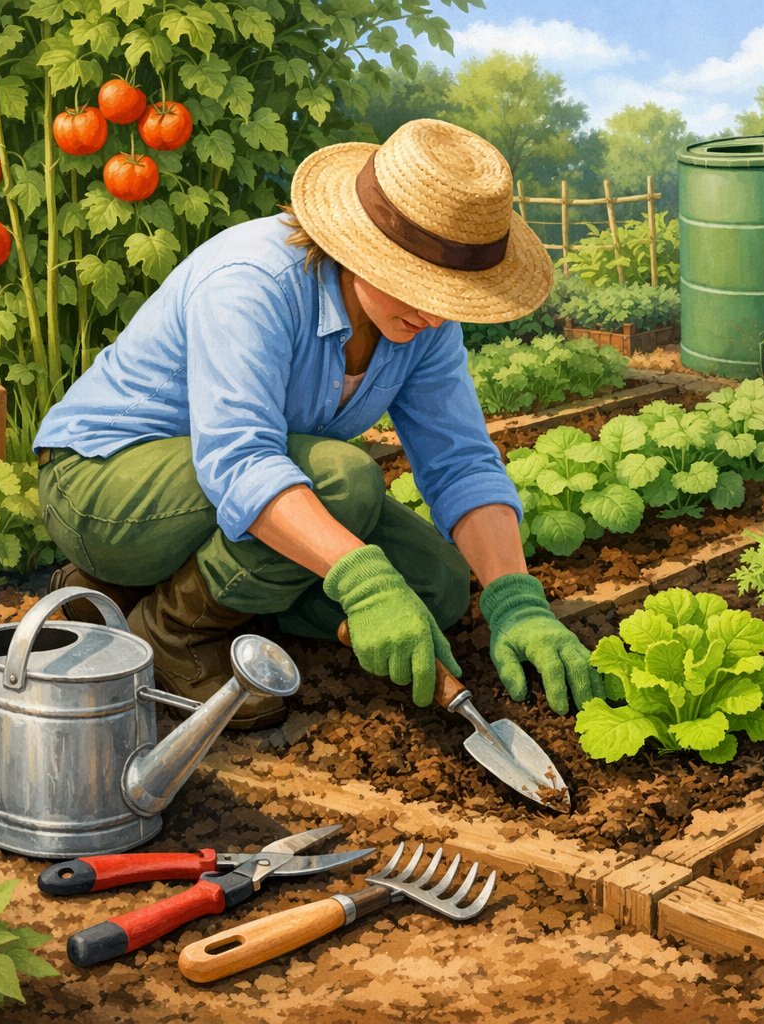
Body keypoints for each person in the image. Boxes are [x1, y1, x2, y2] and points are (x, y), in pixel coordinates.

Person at [32, 119, 595, 729]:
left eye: (452, 293)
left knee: (438, 585)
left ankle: (146, 590)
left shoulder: (423, 322)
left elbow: (459, 459)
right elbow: (239, 458)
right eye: (421, 284)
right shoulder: (251, 282)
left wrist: (516, 599)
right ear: (362, 246)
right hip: (102, 486)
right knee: (344, 480)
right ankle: (171, 632)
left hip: (216, 493)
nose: (435, 312)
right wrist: (364, 582)